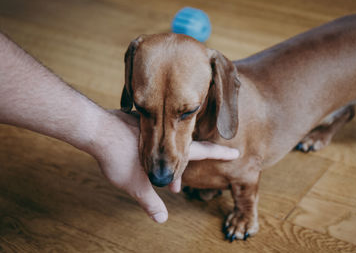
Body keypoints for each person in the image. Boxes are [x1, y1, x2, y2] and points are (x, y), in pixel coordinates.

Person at [0, 32, 239, 223]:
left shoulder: (216, 73)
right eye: (143, 109)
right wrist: (101, 132)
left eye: (186, 112)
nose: (159, 172)